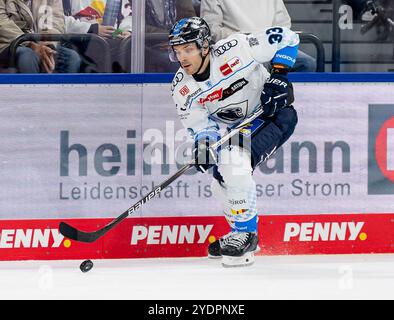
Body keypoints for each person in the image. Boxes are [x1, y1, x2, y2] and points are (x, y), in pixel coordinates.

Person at [169, 17, 299, 267]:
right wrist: (204, 145)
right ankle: (238, 231)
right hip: (240, 128)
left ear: (204, 46)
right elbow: (201, 127)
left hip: (274, 115)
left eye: (188, 49)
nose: (182, 57)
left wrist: (280, 75)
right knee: (219, 177)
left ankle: (247, 234)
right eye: (177, 51)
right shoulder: (181, 88)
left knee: (232, 160)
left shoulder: (236, 48)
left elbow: (289, 37)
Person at [200, 0, 316, 72]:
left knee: (307, 63)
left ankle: (285, 101)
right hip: (237, 48)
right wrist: (246, 40)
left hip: (271, 44)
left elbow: (284, 23)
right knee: (260, 63)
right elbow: (211, 28)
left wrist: (268, 41)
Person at [0, 0, 81, 73]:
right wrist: (29, 44)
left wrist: (47, 45)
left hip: (42, 43)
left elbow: (56, 21)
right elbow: (3, 25)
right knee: (27, 57)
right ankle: (30, 89)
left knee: (71, 58)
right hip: (9, 44)